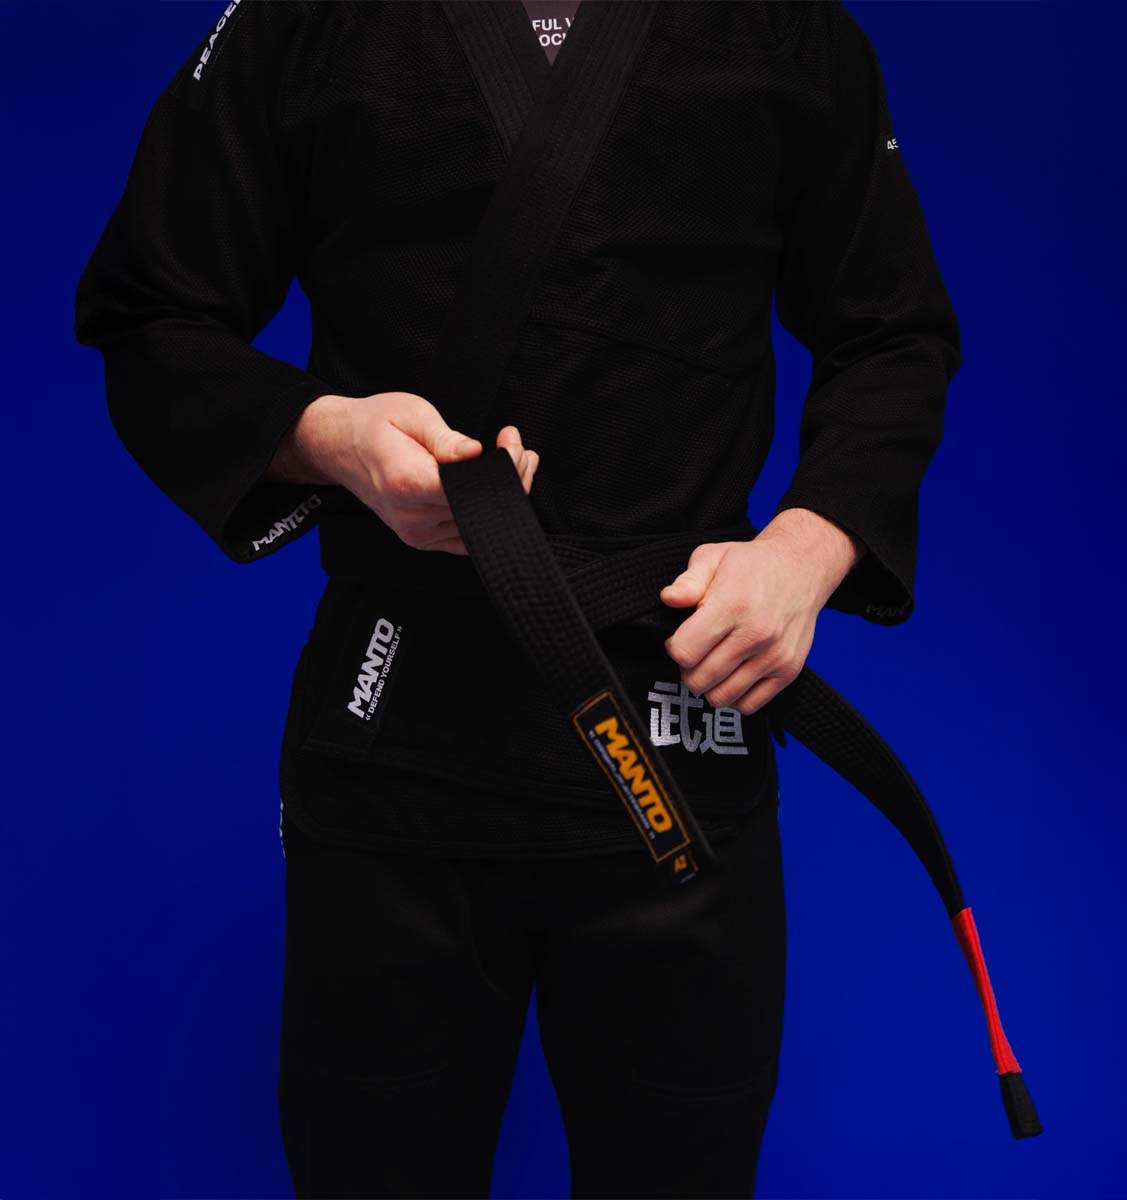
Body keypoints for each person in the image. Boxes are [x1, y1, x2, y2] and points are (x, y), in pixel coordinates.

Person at [74, 1, 961, 1195]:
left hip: (679, 720)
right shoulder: (307, 21)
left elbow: (894, 331)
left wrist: (808, 547)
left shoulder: (785, 28)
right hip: (396, 735)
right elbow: (150, 312)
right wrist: (329, 437)